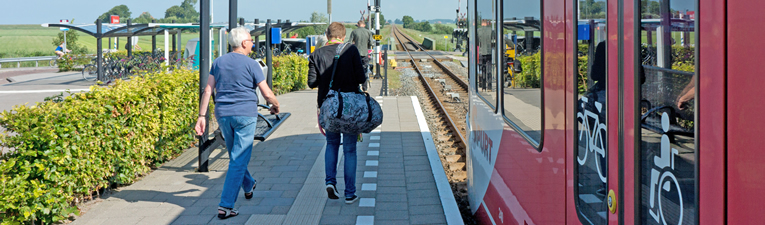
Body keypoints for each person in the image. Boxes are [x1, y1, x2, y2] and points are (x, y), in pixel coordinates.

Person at [194, 26, 280, 219]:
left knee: (236, 158)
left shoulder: (218, 62)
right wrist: (275, 105)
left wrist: (201, 116)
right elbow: (266, 92)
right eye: (250, 41)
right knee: (239, 159)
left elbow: (208, 90)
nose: (252, 45)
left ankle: (248, 184)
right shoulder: (252, 64)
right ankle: (225, 206)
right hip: (245, 115)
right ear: (243, 43)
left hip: (223, 115)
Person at [308, 22, 367, 204]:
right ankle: (350, 193)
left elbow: (312, 83)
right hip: (349, 106)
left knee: (332, 144)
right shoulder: (351, 50)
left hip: (328, 106)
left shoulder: (316, 54)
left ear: (327, 35)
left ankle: (330, 182)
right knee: (350, 149)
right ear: (343, 36)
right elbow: (361, 78)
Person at [347, 20, 374, 91]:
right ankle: (364, 88)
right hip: (365, 54)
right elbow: (371, 43)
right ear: (364, 25)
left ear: (358, 25)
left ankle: (356, 87)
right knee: (364, 70)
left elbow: (349, 43)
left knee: (355, 70)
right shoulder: (368, 32)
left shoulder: (354, 32)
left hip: (356, 54)